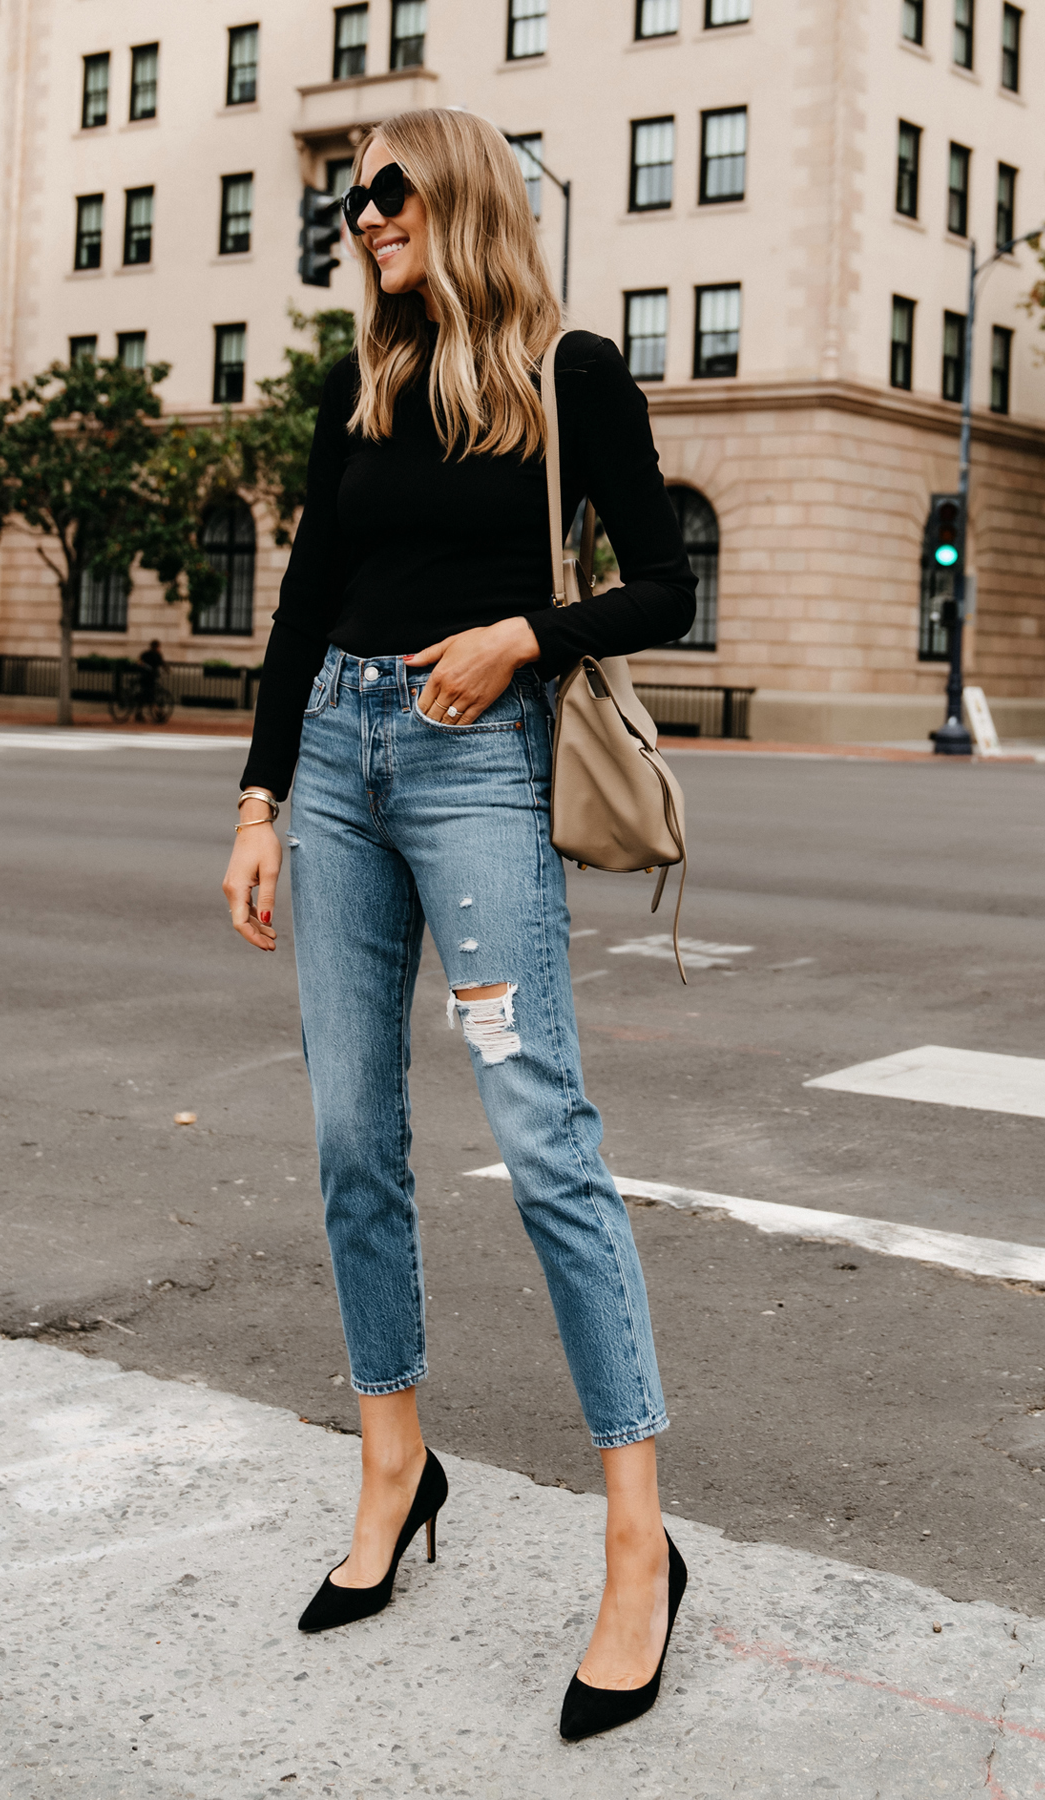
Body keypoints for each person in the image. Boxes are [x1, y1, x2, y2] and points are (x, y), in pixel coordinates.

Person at [222, 108, 697, 1744]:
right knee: (355, 1136)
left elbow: (664, 590)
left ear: (464, 193)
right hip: (342, 770)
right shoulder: (359, 385)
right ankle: (394, 1468)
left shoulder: (571, 373)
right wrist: (260, 800)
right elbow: (298, 605)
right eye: (355, 202)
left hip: (479, 766)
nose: (365, 219)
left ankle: (639, 1543)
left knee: (540, 1130)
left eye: (390, 191)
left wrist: (524, 634)